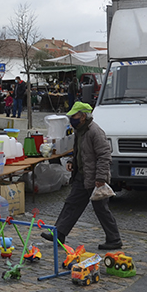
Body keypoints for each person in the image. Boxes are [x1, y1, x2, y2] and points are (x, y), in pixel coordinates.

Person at [43, 102, 122, 250]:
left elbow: (104, 156)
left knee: (101, 209)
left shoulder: (95, 131)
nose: (72, 118)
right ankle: (58, 233)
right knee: (71, 204)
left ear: (83, 116)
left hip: (94, 178)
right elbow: (80, 151)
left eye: (74, 115)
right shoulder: (80, 130)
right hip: (82, 175)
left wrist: (100, 178)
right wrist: (73, 162)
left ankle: (114, 239)